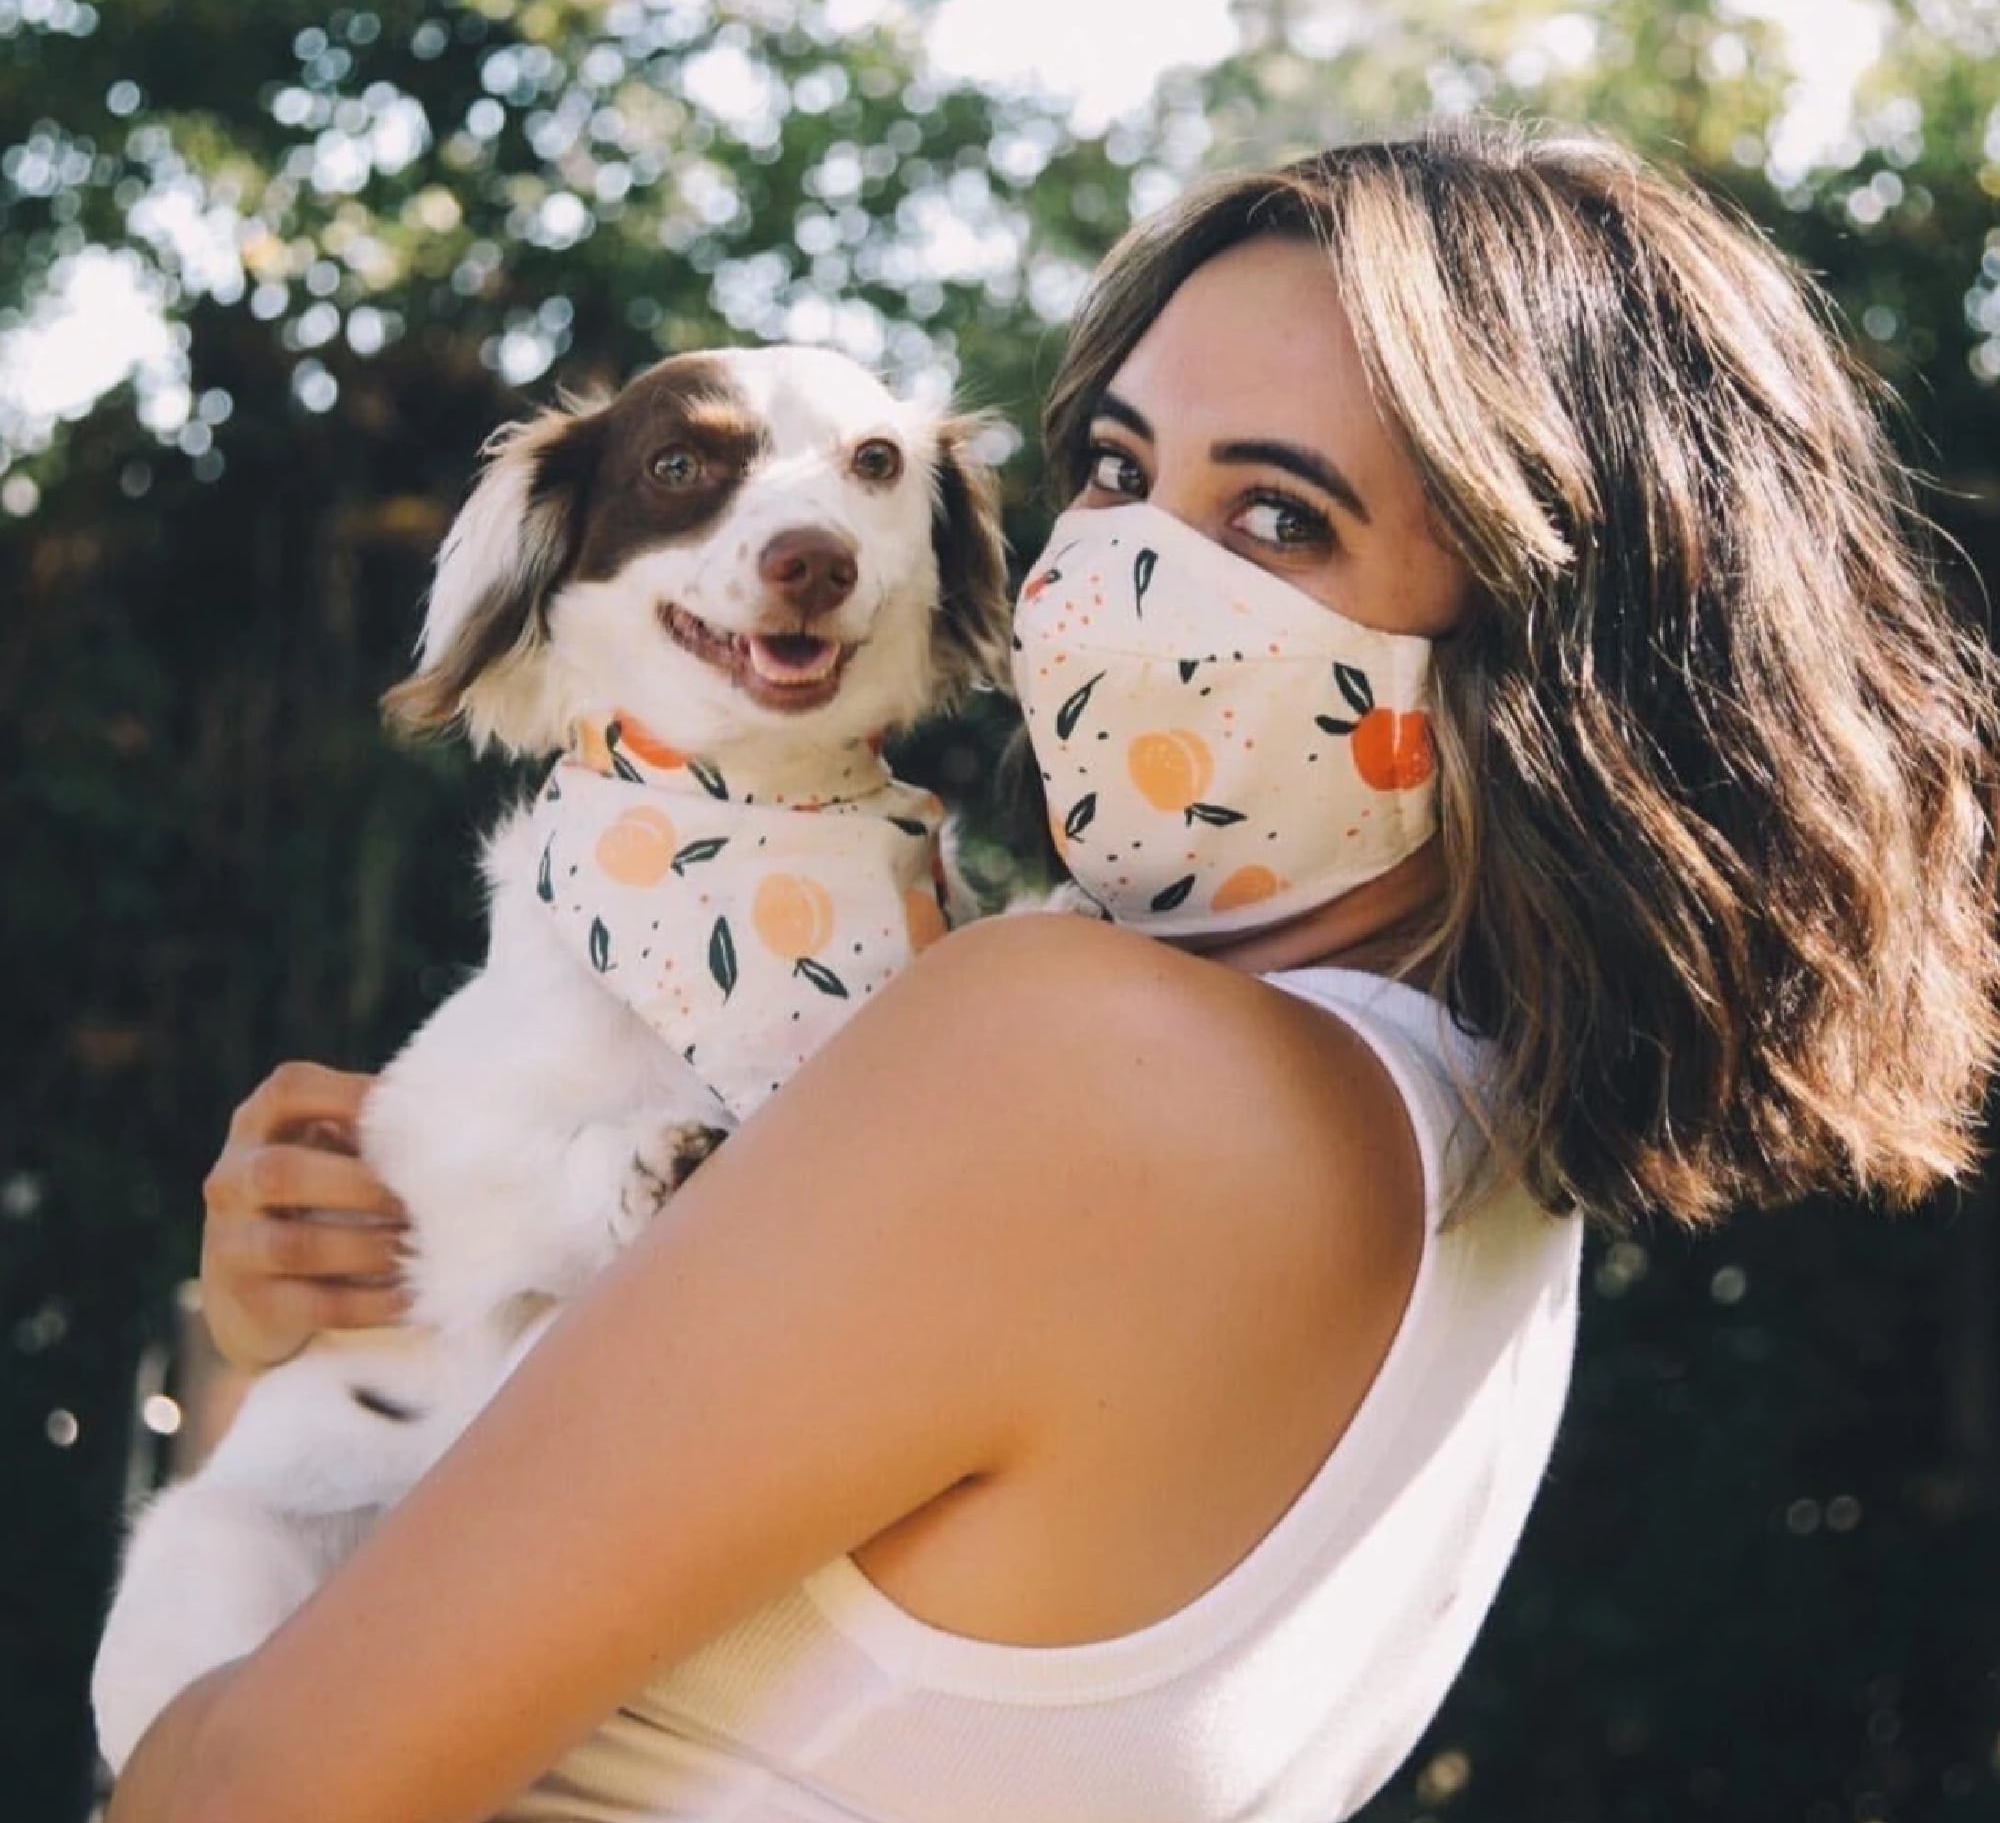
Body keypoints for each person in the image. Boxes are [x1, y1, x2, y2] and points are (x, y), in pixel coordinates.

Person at [107, 120, 2000, 1823]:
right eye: (1118, 463)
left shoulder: (1076, 1054)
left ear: (1548, 652)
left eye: (1279, 514)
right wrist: (312, 1352)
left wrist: (218, 1587)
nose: (1120, 572)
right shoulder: (1484, 1184)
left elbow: (244, 1792)